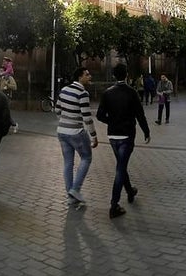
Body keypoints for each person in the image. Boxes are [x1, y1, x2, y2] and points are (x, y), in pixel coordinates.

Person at [96, 63, 150, 219]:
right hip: (127, 135)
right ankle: (114, 205)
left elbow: (100, 115)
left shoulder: (107, 93)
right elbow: (140, 115)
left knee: (121, 164)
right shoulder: (132, 92)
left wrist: (111, 121)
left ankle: (130, 191)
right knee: (120, 168)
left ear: (114, 76)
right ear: (126, 75)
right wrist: (146, 131)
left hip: (113, 136)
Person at [55, 67, 99, 207]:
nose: (89, 76)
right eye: (87, 74)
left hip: (62, 131)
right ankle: (75, 189)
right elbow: (87, 117)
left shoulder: (64, 90)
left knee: (68, 163)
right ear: (80, 77)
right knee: (86, 158)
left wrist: (64, 119)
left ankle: (71, 197)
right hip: (76, 132)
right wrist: (93, 136)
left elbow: (57, 110)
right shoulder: (83, 93)